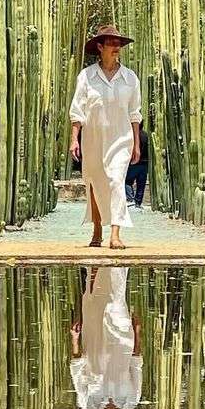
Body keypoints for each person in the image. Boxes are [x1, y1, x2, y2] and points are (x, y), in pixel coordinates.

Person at [69, 24, 142, 250]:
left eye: (118, 43)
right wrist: (74, 139)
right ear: (100, 47)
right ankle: (97, 228)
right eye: (110, 43)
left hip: (121, 138)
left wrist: (136, 144)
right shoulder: (87, 76)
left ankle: (116, 233)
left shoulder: (130, 78)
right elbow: (77, 110)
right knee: (94, 182)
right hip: (93, 139)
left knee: (116, 180)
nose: (115, 47)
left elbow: (134, 113)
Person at [70, 266, 142, 409]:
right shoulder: (131, 400)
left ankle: (96, 262)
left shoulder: (88, 403)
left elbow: (77, 369)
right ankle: (115, 262)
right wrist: (137, 333)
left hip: (94, 341)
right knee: (116, 302)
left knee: (96, 301)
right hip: (122, 343)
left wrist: (74, 339)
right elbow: (136, 364)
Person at [124, 121, 148, 208]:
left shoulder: (131, 136)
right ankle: (138, 202)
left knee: (127, 181)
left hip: (134, 163)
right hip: (144, 164)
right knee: (141, 184)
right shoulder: (146, 135)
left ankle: (130, 199)